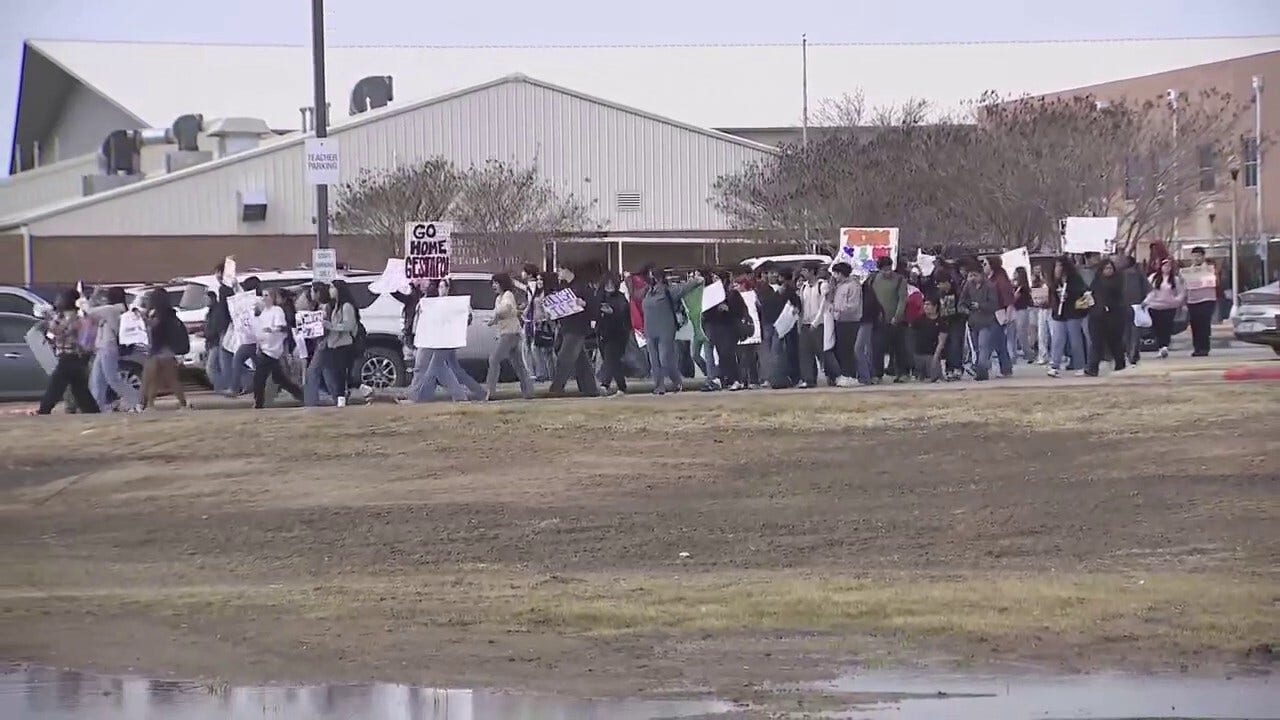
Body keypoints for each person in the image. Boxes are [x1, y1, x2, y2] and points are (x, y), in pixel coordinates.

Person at [36, 289, 99, 415]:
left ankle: (44, 410)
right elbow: (53, 334)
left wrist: (49, 319)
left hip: (72, 356)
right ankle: (92, 411)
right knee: (80, 389)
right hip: (74, 357)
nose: (58, 301)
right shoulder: (64, 316)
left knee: (56, 385)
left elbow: (60, 331)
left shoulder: (75, 317)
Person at [641, 267, 703, 394]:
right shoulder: (647, 292)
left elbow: (685, 288)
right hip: (650, 330)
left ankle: (676, 381)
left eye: (652, 277)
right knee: (654, 360)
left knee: (665, 358)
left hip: (665, 328)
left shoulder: (669, 291)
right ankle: (659, 386)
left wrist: (697, 280)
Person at [82, 286, 140, 413]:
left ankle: (136, 400)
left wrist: (94, 295)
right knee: (97, 380)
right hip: (105, 347)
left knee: (112, 379)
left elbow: (89, 311)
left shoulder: (110, 310)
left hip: (108, 346)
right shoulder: (121, 309)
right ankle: (97, 406)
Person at [548, 265, 601, 397]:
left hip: (577, 327)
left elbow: (593, 305)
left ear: (568, 270)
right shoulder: (565, 287)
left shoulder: (582, 286)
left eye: (560, 270)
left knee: (565, 357)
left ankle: (557, 387)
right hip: (566, 326)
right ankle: (590, 388)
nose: (558, 273)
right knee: (579, 358)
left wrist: (584, 304)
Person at [484, 272, 535, 400]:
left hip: (510, 334)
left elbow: (505, 309)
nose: (494, 286)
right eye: (493, 283)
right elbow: (508, 312)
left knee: (494, 359)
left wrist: (495, 318)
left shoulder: (508, 295)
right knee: (518, 364)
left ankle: (490, 391)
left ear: (503, 284)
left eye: (497, 283)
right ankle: (528, 391)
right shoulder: (498, 298)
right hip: (509, 332)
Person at [251, 288, 304, 408]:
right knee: (279, 378)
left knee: (259, 377)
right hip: (264, 347)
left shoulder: (277, 311)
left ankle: (258, 402)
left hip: (273, 348)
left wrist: (272, 330)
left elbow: (282, 328)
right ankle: (299, 394)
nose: (264, 298)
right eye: (263, 296)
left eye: (267, 295)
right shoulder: (264, 312)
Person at [140, 287, 189, 410]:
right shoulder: (170, 314)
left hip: (157, 350)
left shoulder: (157, 315)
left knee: (148, 380)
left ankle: (146, 405)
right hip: (168, 351)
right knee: (172, 380)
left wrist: (145, 321)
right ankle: (183, 404)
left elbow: (154, 330)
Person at [700, 269, 749, 391]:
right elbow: (707, 313)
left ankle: (737, 379)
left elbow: (740, 311)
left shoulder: (732, 294)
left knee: (729, 354)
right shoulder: (711, 295)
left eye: (718, 279)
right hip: (717, 328)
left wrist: (728, 309)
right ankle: (727, 378)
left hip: (729, 328)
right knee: (722, 356)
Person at [1047, 256, 1088, 378]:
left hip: (1072, 313)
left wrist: (1069, 295)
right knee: (1057, 340)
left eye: (1060, 266)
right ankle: (1055, 365)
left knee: (1075, 340)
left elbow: (1082, 291)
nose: (1057, 269)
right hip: (1059, 314)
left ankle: (1080, 365)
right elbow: (1052, 295)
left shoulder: (1074, 279)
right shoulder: (1054, 281)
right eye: (1056, 266)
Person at [867, 257, 908, 382]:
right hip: (879, 320)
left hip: (896, 320)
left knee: (899, 348)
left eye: (889, 268)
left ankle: (902, 373)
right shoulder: (873, 279)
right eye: (884, 269)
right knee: (877, 348)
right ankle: (877, 374)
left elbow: (902, 300)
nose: (888, 272)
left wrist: (897, 316)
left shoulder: (900, 280)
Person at [1085, 259, 1127, 376]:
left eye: (1110, 268)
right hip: (1097, 315)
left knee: (1114, 342)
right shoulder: (1096, 281)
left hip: (1113, 316)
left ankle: (1120, 364)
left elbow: (1117, 297)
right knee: (1096, 342)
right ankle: (1092, 368)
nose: (1109, 271)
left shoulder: (1117, 281)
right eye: (1106, 268)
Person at [322, 278, 360, 406]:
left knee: (340, 375)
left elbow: (349, 325)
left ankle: (341, 400)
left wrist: (331, 326)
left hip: (344, 345)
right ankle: (343, 396)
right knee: (336, 374)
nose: (330, 290)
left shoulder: (346, 306)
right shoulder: (336, 306)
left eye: (333, 288)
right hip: (333, 345)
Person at [958, 268, 1000, 381]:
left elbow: (994, 305)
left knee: (983, 346)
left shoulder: (990, 286)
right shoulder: (968, 285)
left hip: (986, 322)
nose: (973, 278)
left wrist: (980, 306)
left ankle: (982, 371)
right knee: (976, 348)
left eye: (975, 275)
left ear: (981, 275)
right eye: (971, 275)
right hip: (972, 322)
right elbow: (961, 302)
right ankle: (979, 368)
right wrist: (966, 310)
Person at [223, 275, 262, 397]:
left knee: (238, 360)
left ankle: (235, 388)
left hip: (254, 339)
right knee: (259, 365)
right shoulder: (252, 299)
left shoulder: (258, 301)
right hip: (251, 338)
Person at [595, 272, 632, 396]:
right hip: (603, 334)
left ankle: (604, 384)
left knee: (610, 359)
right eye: (607, 284)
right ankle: (622, 386)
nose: (609, 286)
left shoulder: (620, 297)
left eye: (612, 284)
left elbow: (623, 312)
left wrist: (612, 311)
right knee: (613, 361)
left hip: (618, 334)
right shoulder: (600, 296)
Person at [827, 262, 862, 387]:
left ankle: (851, 375)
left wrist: (837, 308)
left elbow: (853, 305)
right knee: (841, 349)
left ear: (841, 273)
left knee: (848, 349)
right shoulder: (838, 286)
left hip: (850, 321)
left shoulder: (853, 286)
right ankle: (844, 374)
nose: (834, 276)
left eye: (836, 273)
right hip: (839, 321)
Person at [1144, 258, 1186, 358]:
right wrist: (1146, 302)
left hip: (1169, 307)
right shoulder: (1153, 278)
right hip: (1154, 306)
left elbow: (1181, 292)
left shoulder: (1175, 279)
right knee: (1157, 327)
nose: (1167, 268)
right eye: (1165, 266)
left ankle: (1164, 346)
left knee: (1166, 327)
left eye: (1169, 266)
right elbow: (1149, 291)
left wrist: (1177, 301)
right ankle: (1159, 347)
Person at [796, 265, 829, 388]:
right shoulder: (803, 287)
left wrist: (816, 322)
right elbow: (801, 305)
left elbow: (823, 305)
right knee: (805, 352)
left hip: (819, 324)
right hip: (805, 323)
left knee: (822, 351)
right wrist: (800, 322)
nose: (803, 272)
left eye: (805, 270)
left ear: (811, 271)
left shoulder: (822, 285)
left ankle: (830, 374)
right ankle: (808, 378)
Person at [982, 256, 1015, 377]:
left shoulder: (1000, 280)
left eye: (985, 264)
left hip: (999, 315)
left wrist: (1007, 316)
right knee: (1000, 343)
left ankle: (982, 366)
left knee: (990, 342)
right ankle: (1006, 369)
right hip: (991, 314)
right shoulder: (990, 279)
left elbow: (1008, 299)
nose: (983, 267)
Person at [1184, 246, 1217, 357]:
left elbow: (1217, 280)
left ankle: (1204, 348)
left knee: (1204, 323)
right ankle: (1197, 348)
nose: (1196, 258)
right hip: (1192, 300)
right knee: (1195, 324)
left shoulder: (1209, 269)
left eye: (1199, 256)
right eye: (1194, 256)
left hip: (1207, 299)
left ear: (1203, 257)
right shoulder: (1188, 271)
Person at [1120, 255, 1151, 366]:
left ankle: (1130, 353)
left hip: (1123, 306)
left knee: (1126, 332)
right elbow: (1148, 289)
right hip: (1136, 305)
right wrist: (1145, 302)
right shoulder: (1139, 273)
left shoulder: (1119, 274)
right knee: (1135, 332)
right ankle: (1133, 354)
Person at [911, 298, 948, 382]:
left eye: (928, 304)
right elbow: (912, 336)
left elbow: (941, 342)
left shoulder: (941, 322)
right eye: (924, 304)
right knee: (919, 378)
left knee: (935, 379)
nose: (925, 307)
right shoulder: (918, 320)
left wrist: (935, 357)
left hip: (931, 355)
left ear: (935, 307)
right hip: (918, 355)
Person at [1011, 266, 1036, 363]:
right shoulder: (1015, 285)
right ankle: (1024, 353)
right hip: (1016, 310)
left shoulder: (1023, 287)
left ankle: (1028, 353)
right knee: (1017, 333)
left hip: (1022, 310)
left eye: (1016, 273)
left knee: (1022, 333)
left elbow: (1015, 298)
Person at [1030, 265, 1052, 365]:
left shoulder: (1051, 284)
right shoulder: (1036, 284)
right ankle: (1043, 355)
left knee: (1052, 334)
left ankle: (1054, 355)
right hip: (1041, 310)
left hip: (1050, 309)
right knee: (1041, 334)